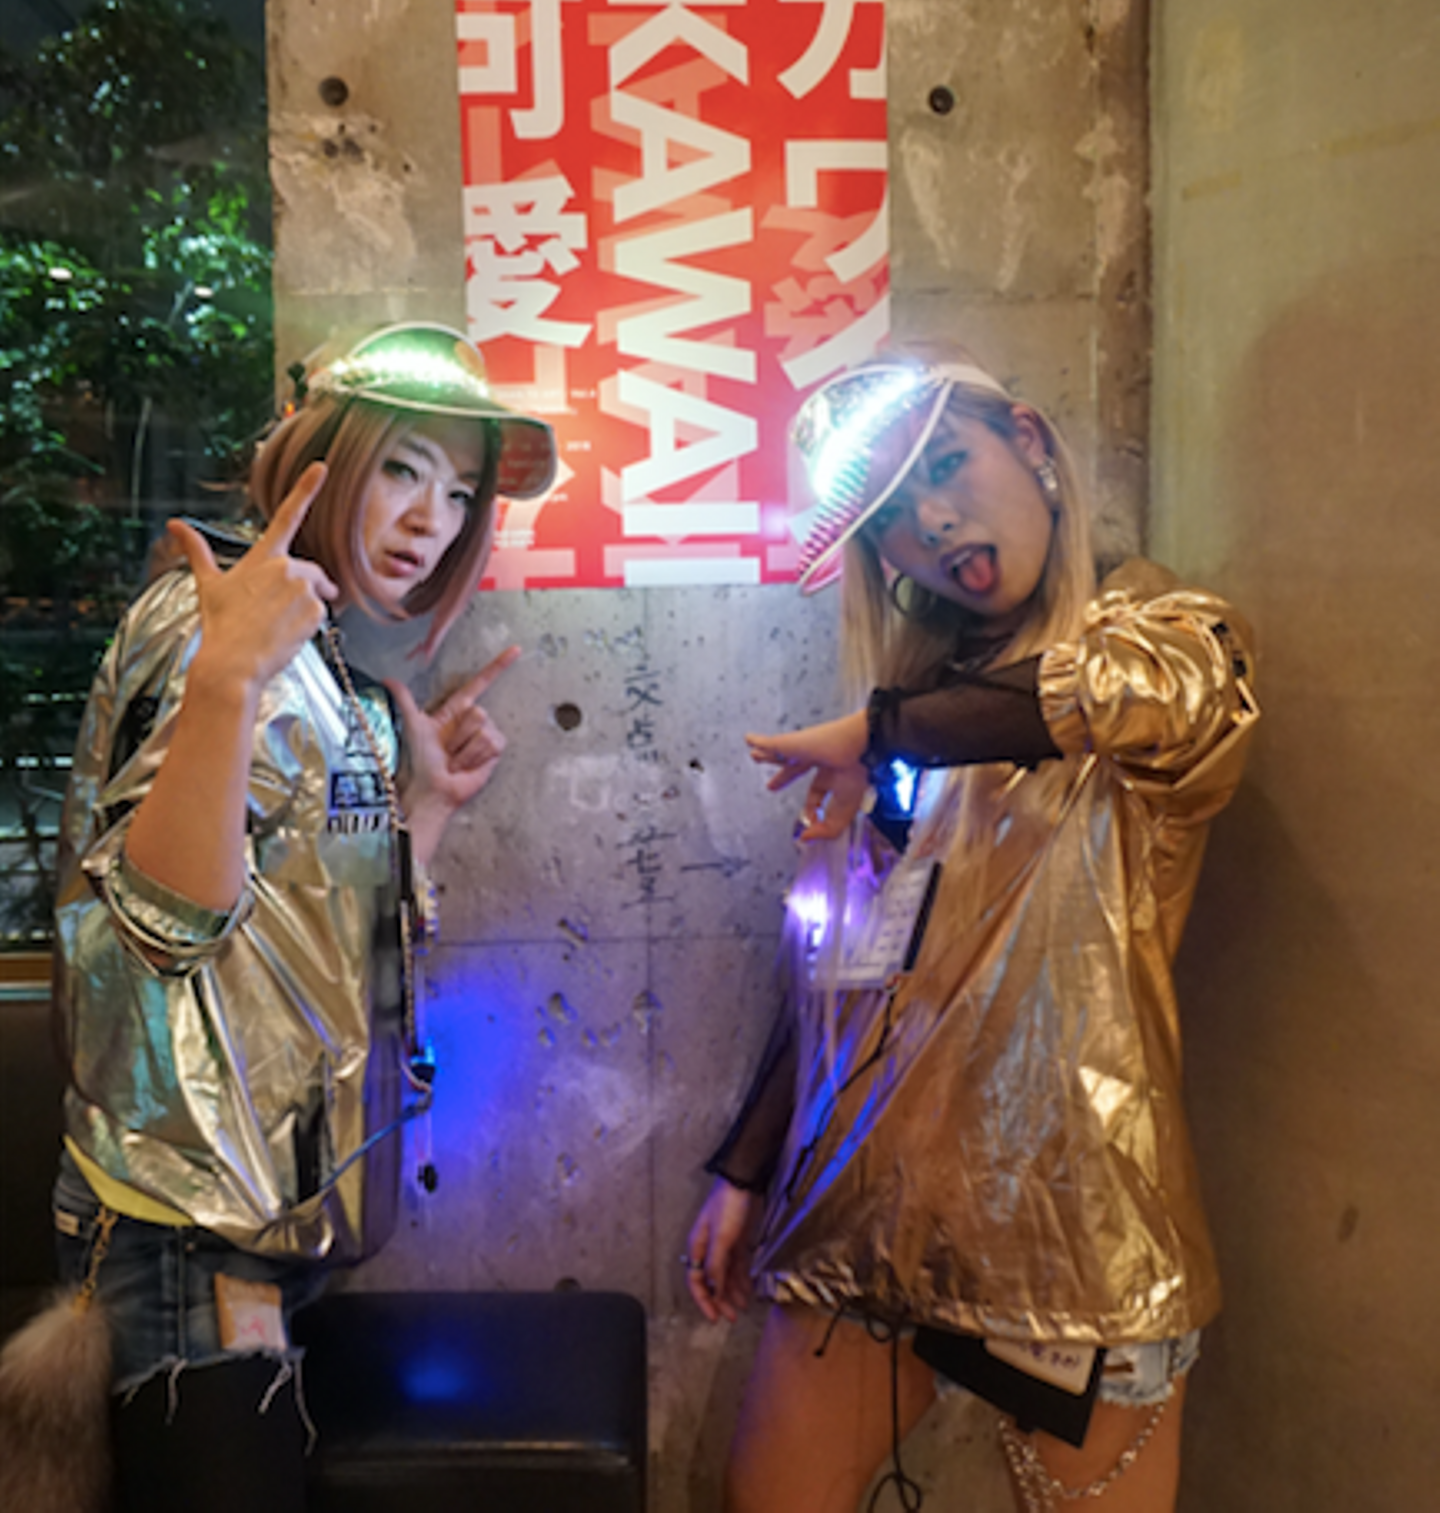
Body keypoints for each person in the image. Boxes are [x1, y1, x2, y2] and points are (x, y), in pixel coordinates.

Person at [683, 348, 1259, 1513]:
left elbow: (1127, 696)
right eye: (891, 516)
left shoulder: (1166, 635)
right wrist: (748, 1168)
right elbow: (844, 971)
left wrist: (882, 729)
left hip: (1075, 1227)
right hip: (869, 1210)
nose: (932, 522)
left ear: (1030, 443)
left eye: (946, 465)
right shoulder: (913, 710)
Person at [34, 322, 556, 1512]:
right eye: (402, 468)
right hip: (182, 1230)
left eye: (460, 491)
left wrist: (427, 809)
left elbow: (322, 942)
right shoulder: (211, 624)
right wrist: (226, 680)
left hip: (267, 1218)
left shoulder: (326, 662)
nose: (431, 520)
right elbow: (161, 924)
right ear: (315, 456)